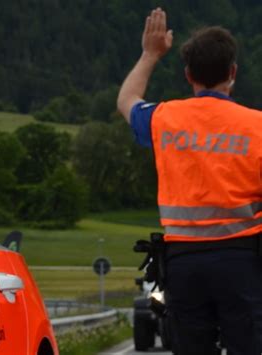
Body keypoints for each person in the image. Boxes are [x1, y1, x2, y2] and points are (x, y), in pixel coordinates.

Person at [117, 8, 262, 355]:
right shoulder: (257, 125)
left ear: (187, 75)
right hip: (242, 262)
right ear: (233, 73)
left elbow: (126, 100)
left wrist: (150, 54)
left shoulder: (165, 118)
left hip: (184, 263)